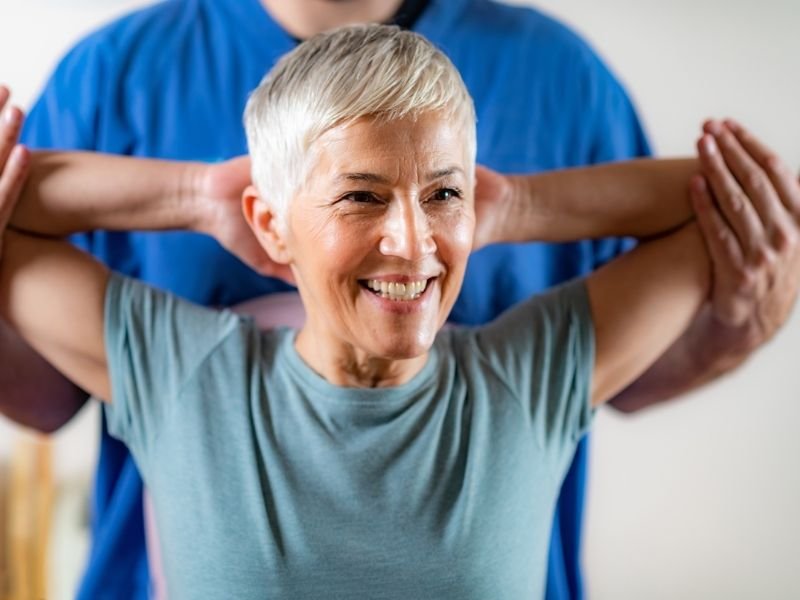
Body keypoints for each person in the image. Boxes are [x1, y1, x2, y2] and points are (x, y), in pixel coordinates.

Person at [6, 1, 798, 598]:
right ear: (270, 223)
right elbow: (28, 318)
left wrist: (510, 206)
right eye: (361, 197)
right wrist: (199, 195)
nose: (411, 242)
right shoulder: (118, 79)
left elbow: (708, 216)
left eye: (441, 193)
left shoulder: (529, 372)